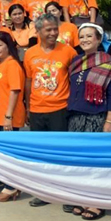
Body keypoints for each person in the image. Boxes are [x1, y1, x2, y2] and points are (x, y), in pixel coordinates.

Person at [24, 14, 77, 208]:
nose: (53, 33)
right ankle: (44, 193)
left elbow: (73, 80)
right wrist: (28, 107)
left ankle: (65, 195)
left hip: (60, 109)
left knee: (62, 153)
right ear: (38, 32)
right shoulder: (30, 53)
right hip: (37, 109)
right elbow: (29, 81)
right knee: (40, 155)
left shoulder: (69, 52)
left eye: (55, 29)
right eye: (49, 30)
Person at [67, 23, 111, 221]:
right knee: (78, 160)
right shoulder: (76, 61)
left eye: (89, 36)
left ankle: (96, 202)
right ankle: (81, 197)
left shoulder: (107, 62)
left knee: (95, 162)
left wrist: (110, 120)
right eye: (82, 37)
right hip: (76, 116)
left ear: (98, 39)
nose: (85, 40)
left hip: (97, 116)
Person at [0, 32, 26, 202]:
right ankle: (10, 184)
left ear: (8, 46)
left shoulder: (12, 65)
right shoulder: (0, 64)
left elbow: (15, 91)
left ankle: (12, 187)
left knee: (10, 155)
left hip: (9, 117)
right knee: (4, 154)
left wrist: (8, 116)